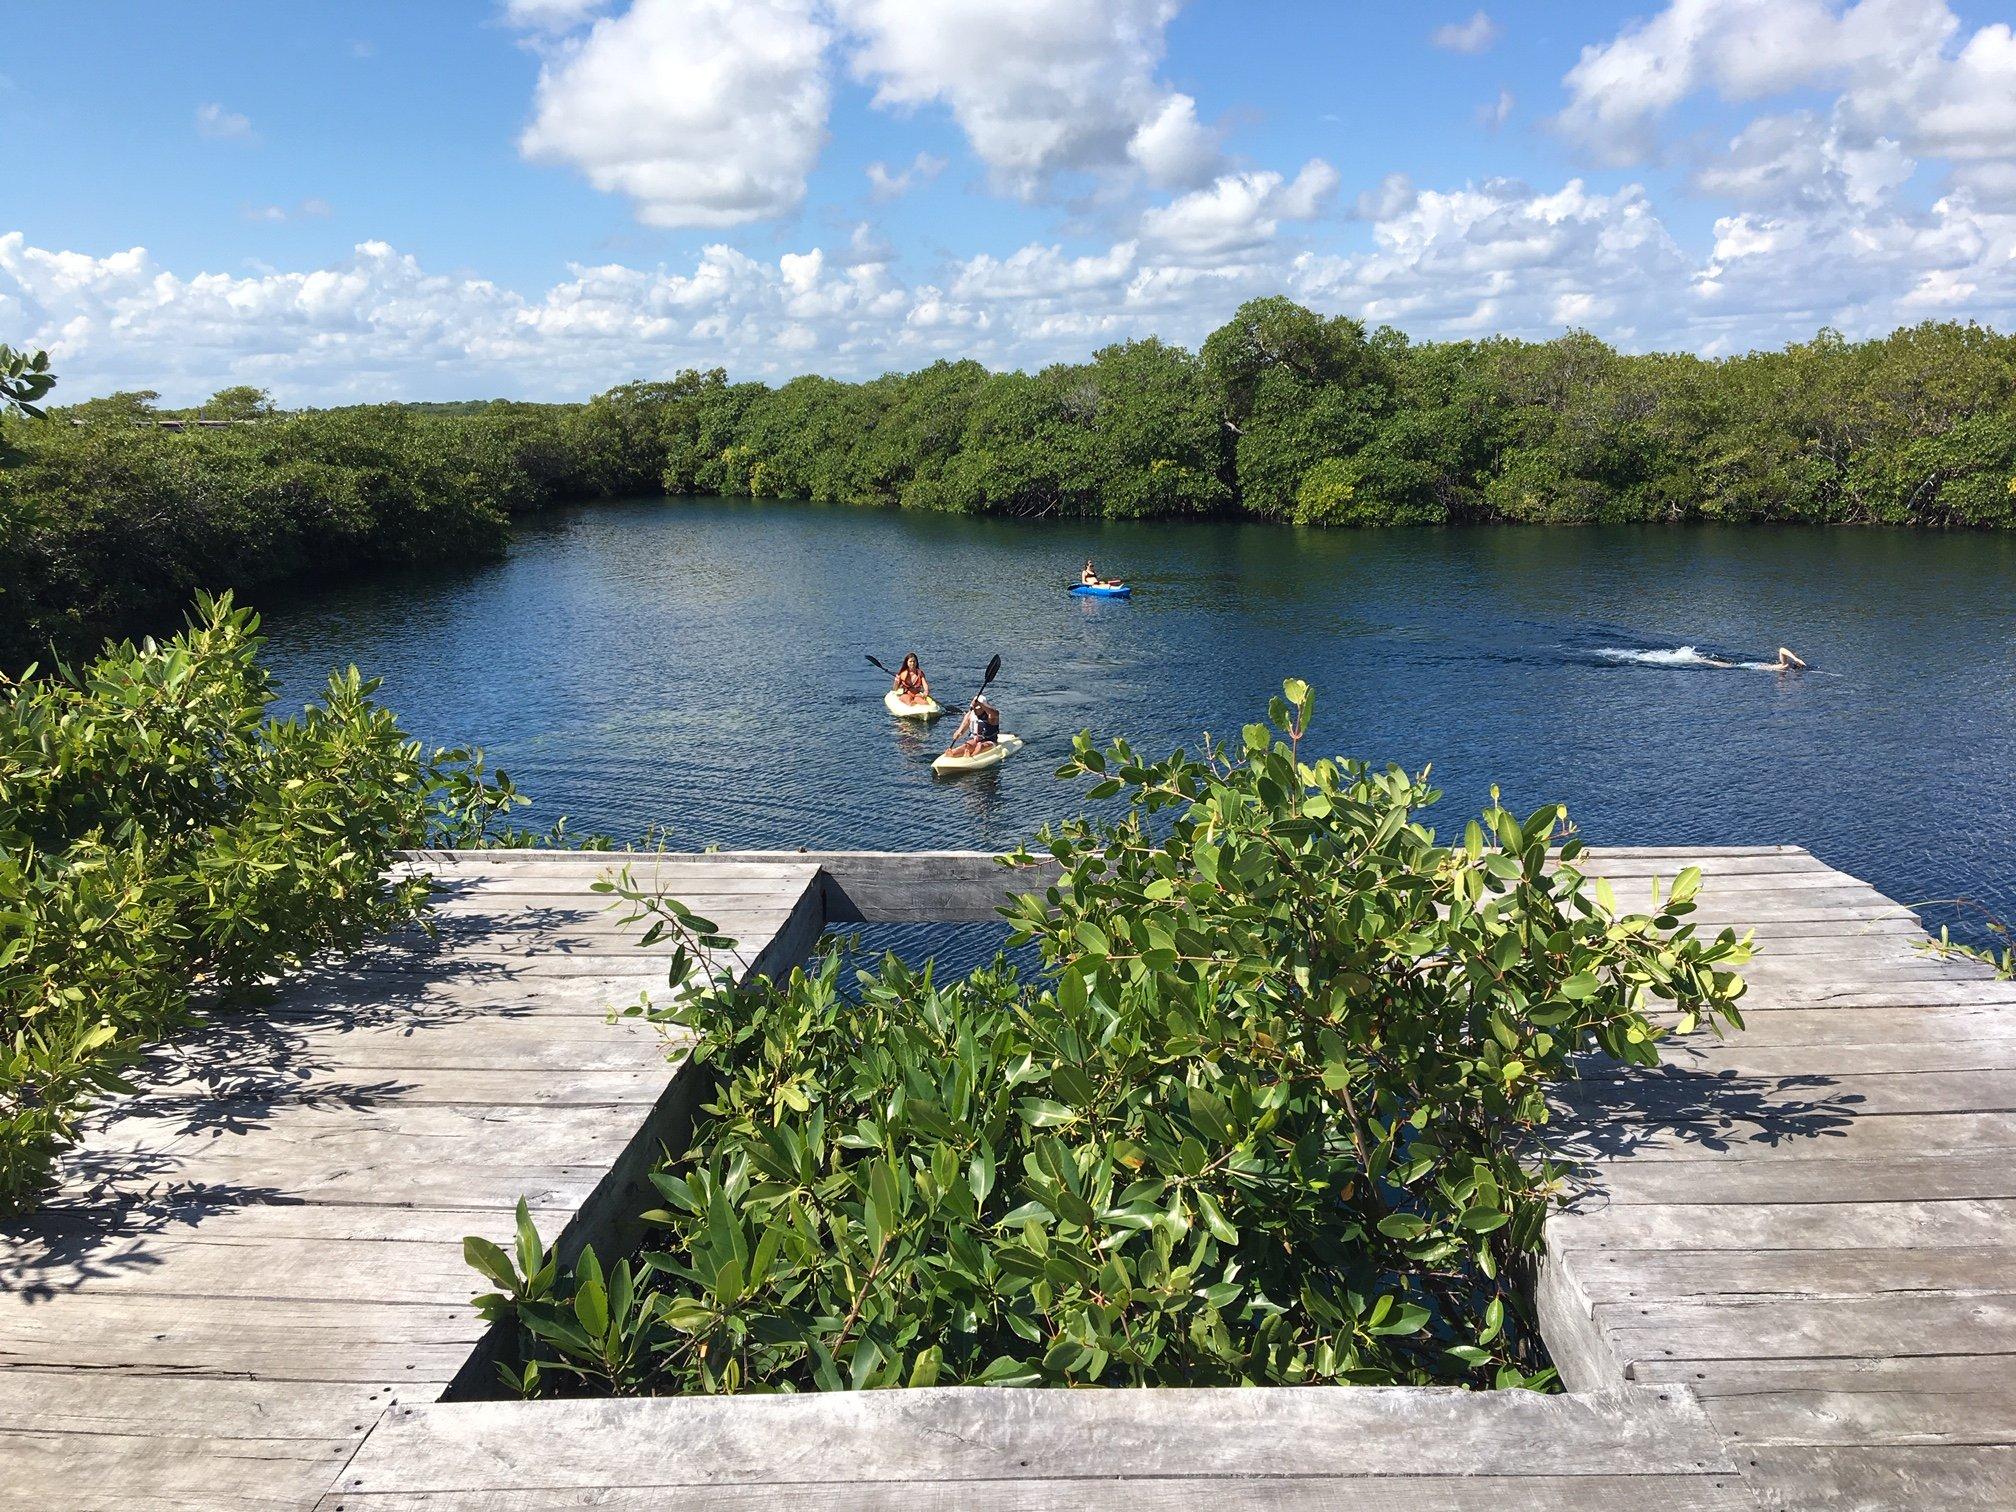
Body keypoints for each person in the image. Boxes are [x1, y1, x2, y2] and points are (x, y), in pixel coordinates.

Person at [943, 693, 1000, 759]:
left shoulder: (991, 716)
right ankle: (953, 753)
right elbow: (961, 730)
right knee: (966, 746)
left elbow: (994, 712)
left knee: (980, 746)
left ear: (983, 707)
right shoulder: (970, 715)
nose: (975, 710)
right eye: (974, 708)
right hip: (975, 740)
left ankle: (971, 757)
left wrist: (980, 703)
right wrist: (958, 733)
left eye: (977, 708)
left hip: (990, 741)